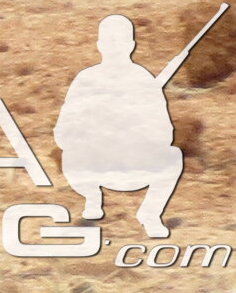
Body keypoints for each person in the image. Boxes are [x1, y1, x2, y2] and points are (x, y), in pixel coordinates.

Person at [56, 15, 186, 239]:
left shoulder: (144, 81)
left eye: (120, 42)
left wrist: (133, 131)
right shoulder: (86, 80)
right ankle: (92, 198)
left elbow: (165, 133)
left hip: (135, 163)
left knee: (173, 156)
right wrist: (93, 132)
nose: (115, 48)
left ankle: (150, 214)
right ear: (99, 45)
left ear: (132, 45)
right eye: (109, 42)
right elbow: (63, 132)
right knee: (70, 154)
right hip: (95, 163)